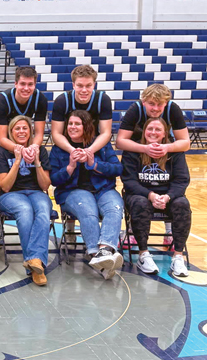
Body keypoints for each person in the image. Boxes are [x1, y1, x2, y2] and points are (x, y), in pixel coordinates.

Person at [50, 110, 124, 280]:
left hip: (103, 190)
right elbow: (53, 180)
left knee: (115, 207)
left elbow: (117, 169)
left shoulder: (101, 145)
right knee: (88, 210)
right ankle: (96, 253)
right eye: (70, 124)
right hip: (72, 192)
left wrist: (94, 163)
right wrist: (69, 167)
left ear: (86, 126)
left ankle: (104, 251)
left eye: (77, 124)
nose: (72, 127)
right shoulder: (59, 149)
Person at [116, 84, 190, 244]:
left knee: (168, 181)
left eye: (159, 104)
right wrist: (144, 148)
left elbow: (185, 143)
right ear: (144, 102)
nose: (155, 108)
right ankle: (133, 229)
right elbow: (120, 142)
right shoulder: (135, 110)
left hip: (164, 145)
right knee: (138, 186)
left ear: (166, 103)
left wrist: (167, 147)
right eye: (151, 104)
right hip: (139, 147)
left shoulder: (173, 109)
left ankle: (170, 232)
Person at [121, 118, 191, 277]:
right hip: (140, 195)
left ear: (165, 133)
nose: (153, 132)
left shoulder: (175, 151)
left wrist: (168, 196)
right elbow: (128, 181)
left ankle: (178, 256)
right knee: (140, 203)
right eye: (150, 129)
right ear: (144, 131)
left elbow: (182, 180)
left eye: (158, 129)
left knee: (182, 204)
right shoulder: (133, 150)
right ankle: (143, 255)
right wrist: (150, 195)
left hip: (167, 197)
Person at [0, 115, 52, 286]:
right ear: (11, 132)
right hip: (10, 195)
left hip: (36, 192)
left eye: (25, 128)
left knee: (42, 209)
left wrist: (38, 161)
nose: (21, 131)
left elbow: (45, 185)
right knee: (25, 210)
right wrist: (17, 161)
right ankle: (35, 265)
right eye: (17, 128)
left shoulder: (40, 150)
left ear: (30, 131)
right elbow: (5, 186)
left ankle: (34, 262)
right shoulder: (2, 152)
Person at [0, 66, 49, 236]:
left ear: (35, 84)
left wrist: (32, 147)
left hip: (25, 135)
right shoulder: (3, 100)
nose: (26, 88)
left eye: (30, 84)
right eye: (22, 84)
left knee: (31, 167)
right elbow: (2, 138)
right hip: (4, 138)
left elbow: (38, 133)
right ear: (15, 83)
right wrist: (20, 151)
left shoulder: (40, 99)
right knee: (1, 181)